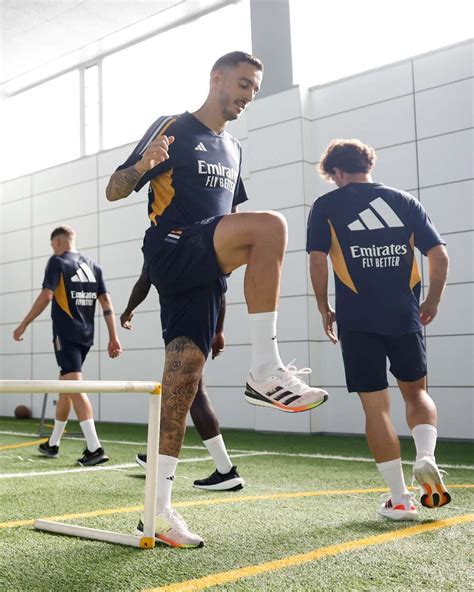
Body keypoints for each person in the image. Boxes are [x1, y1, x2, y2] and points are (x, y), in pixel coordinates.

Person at [106, 51, 327, 548]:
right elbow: (113, 190)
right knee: (273, 226)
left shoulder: (234, 150)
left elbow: (235, 236)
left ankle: (156, 514)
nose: (249, 96)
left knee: (182, 380)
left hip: (204, 266)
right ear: (218, 78)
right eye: (244, 84)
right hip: (170, 245)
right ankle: (266, 368)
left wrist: (223, 315)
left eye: (254, 88)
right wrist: (144, 165)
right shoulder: (173, 126)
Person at [307, 139, 451, 521]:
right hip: (405, 316)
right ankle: (425, 455)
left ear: (337, 172)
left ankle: (400, 499)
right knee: (416, 393)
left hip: (356, 321)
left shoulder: (326, 206)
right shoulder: (404, 201)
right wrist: (432, 301)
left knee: (376, 407)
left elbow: (318, 260)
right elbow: (439, 255)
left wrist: (324, 308)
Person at [120, 268, 244, 491]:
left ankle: (218, 470)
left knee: (180, 392)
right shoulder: (204, 240)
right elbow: (221, 290)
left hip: (184, 325)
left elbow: (144, 280)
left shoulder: (161, 238)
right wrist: (218, 331)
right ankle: (224, 468)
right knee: (194, 392)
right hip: (199, 323)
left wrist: (128, 310)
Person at [13, 225, 122, 466]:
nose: (53, 249)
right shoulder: (94, 266)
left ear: (59, 242)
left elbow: (46, 296)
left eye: (53, 245)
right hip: (86, 336)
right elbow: (106, 301)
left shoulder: (57, 262)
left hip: (66, 335)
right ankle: (53, 443)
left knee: (74, 386)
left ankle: (95, 447)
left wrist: (24, 324)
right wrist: (113, 337)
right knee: (65, 386)